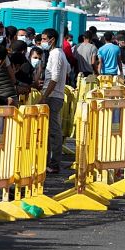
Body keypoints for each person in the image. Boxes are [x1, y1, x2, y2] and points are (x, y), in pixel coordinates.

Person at [39, 28, 70, 174]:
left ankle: (54, 162)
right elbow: (67, 70)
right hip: (53, 94)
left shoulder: (56, 54)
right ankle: (50, 162)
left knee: (54, 131)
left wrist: (45, 95)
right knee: (51, 130)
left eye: (44, 39)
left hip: (53, 96)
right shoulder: (56, 53)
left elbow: (55, 77)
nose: (42, 42)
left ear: (52, 39)